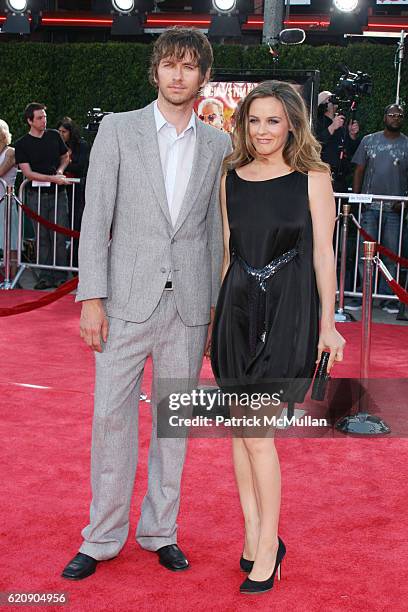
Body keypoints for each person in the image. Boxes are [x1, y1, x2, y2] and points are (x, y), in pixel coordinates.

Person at [61, 27, 231, 581]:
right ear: (155, 71)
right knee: (110, 421)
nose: (178, 75)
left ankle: (160, 530)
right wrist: (91, 297)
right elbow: (96, 218)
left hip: (188, 307)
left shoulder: (218, 146)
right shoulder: (118, 130)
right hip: (125, 303)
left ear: (204, 77)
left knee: (172, 424)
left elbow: (211, 235)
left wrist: (210, 312)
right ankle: (102, 537)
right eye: (169, 65)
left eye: (189, 67)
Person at [211, 81, 345, 595]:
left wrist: (328, 324)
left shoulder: (313, 177)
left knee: (259, 435)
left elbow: (324, 255)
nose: (262, 130)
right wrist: (215, 320)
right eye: (253, 120)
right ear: (242, 125)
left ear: (291, 124)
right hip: (237, 311)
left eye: (273, 120)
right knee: (241, 435)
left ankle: (269, 546)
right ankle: (251, 533)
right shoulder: (232, 179)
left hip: (289, 310)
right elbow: (227, 251)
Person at [347, 103, 408, 314]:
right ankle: (364, 294)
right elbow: (359, 170)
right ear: (384, 117)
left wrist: (405, 201)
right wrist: (358, 198)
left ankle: (388, 297)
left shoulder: (407, 144)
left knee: (392, 254)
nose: (395, 117)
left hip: (394, 209)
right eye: (391, 114)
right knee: (366, 254)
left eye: (399, 115)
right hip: (369, 208)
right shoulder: (369, 140)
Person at [14, 103, 70, 289]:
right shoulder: (22, 144)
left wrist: (60, 171)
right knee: (42, 237)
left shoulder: (54, 136)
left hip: (58, 194)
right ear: (30, 120)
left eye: (44, 116)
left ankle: (61, 275)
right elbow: (27, 173)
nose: (43, 120)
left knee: (60, 235)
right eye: (39, 118)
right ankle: (45, 275)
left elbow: (65, 156)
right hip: (35, 195)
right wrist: (53, 178)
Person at [57, 117, 90, 268]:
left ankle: (77, 265)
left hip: (78, 193)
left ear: (71, 132)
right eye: (59, 131)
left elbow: (81, 167)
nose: (61, 134)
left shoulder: (81, 146)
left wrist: (65, 165)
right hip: (60, 191)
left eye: (63, 131)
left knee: (78, 227)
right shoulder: (55, 145)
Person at [316, 90, 360, 193]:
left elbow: (351, 151)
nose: (334, 101)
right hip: (321, 177)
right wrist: (331, 128)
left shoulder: (340, 125)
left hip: (340, 180)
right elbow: (314, 145)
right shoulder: (315, 122)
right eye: (329, 99)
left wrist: (352, 135)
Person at [0, 119, 18, 279]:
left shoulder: (10, 152)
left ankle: (11, 277)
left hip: (6, 202)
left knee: (10, 240)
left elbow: (1, 172)